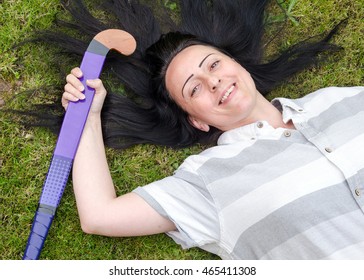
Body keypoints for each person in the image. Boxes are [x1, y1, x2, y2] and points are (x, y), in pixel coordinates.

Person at [31, 0, 364, 259]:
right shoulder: (210, 179)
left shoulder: (341, 99)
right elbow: (100, 216)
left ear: (238, 65)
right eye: (194, 89)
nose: (213, 80)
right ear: (196, 120)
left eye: (214, 64)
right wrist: (86, 116)